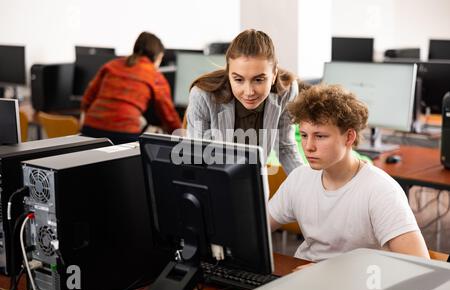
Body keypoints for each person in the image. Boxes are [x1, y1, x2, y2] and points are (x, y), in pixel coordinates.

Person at [269, 84, 429, 262]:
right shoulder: (300, 178)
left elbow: (419, 264)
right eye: (304, 135)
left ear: (349, 137)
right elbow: (257, 229)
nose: (308, 147)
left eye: (320, 136)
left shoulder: (381, 191)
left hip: (359, 285)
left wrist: (325, 273)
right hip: (302, 278)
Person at [186, 29, 303, 174]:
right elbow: (199, 160)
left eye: (259, 79)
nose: (249, 92)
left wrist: (307, 186)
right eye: (238, 79)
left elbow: (285, 147)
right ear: (228, 74)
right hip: (214, 181)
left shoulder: (287, 91)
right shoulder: (202, 96)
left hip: (255, 183)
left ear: (273, 76)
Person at [80, 32, 181, 144]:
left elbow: (87, 99)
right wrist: (181, 137)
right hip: (124, 133)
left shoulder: (111, 65)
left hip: (90, 128)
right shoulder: (155, 76)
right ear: (158, 57)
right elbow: (169, 116)